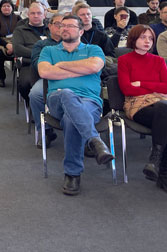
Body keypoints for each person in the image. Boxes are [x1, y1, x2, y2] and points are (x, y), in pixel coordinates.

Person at [38, 14, 113, 196]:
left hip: (89, 102)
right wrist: (80, 70)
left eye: (70, 26)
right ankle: (94, 140)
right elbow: (44, 72)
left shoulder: (94, 49)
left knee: (71, 120)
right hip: (57, 100)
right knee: (67, 93)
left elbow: (94, 67)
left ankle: (72, 174)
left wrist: (62, 65)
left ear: (81, 31)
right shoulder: (48, 50)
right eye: (62, 26)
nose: (64, 28)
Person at [117, 25, 167, 196]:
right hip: (137, 106)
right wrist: (155, 89)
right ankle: (165, 173)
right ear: (133, 39)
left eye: (150, 38)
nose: (147, 41)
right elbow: (127, 89)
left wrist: (141, 83)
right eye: (143, 37)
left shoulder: (158, 60)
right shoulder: (124, 60)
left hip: (161, 104)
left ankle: (156, 160)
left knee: (166, 109)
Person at [28, 13, 65, 147]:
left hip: (69, 78)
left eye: (64, 25)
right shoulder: (41, 44)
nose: (60, 27)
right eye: (57, 24)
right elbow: (37, 64)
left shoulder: (72, 42)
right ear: (49, 26)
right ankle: (46, 131)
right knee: (35, 95)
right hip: (47, 79)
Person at [12, 2, 49, 102]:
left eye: (39, 13)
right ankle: (32, 104)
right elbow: (18, 49)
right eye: (33, 13)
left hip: (50, 64)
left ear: (44, 15)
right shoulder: (20, 30)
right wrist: (42, 55)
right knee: (25, 84)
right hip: (29, 65)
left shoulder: (51, 30)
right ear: (28, 15)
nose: (36, 16)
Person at [0, 0, 20, 87]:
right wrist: (6, 45)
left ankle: (21, 77)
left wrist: (13, 45)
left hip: (15, 41)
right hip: (1, 41)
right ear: (0, 8)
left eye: (8, 6)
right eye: (4, 6)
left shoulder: (18, 19)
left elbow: (22, 34)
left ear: (12, 8)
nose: (6, 8)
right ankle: (1, 77)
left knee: (23, 51)